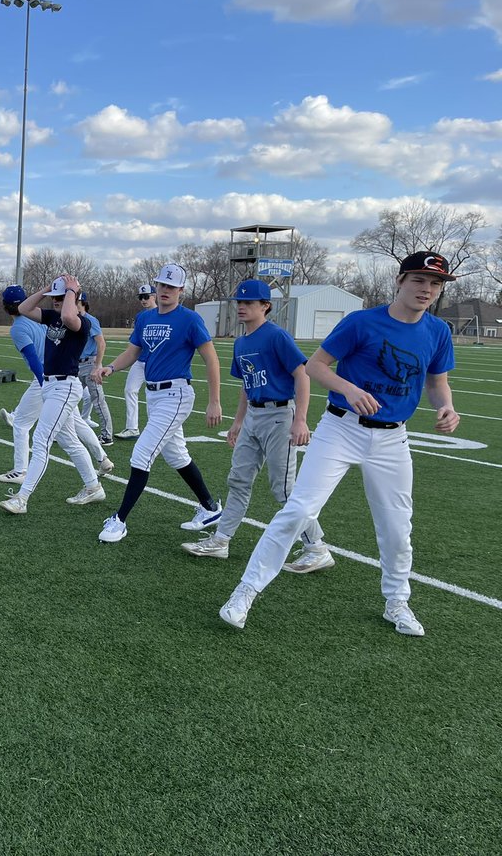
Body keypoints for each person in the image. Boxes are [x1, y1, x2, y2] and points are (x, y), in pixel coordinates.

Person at [219, 251, 459, 637]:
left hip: (392, 437)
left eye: (435, 284)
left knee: (397, 527)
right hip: (341, 429)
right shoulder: (361, 322)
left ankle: (397, 601)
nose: (427, 289)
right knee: (297, 510)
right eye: (419, 280)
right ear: (400, 281)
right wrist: (350, 389)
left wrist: (446, 406)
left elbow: (436, 381)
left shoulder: (438, 331)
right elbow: (315, 366)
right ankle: (245, 592)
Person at [181, 279, 330, 568]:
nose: (241, 307)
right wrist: (237, 422)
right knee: (238, 480)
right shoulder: (241, 342)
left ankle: (317, 547)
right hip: (254, 416)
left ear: (266, 306)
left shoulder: (276, 336)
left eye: (249, 302)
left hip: (279, 416)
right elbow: (247, 385)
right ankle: (221, 540)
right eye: (239, 302)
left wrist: (300, 419)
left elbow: (302, 375)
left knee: (284, 490)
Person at [95, 263, 223, 542]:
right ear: (156, 286)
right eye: (162, 285)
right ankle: (210, 508)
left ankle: (119, 520)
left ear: (181, 290)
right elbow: (134, 351)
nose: (165, 291)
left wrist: (214, 401)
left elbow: (211, 359)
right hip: (153, 396)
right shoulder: (146, 318)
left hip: (176, 395)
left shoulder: (189, 319)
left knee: (141, 454)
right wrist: (112, 367)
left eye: (171, 286)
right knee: (177, 455)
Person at [0, 276, 107, 514]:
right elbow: (24, 308)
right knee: (69, 441)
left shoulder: (82, 322)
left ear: (73, 298)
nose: (56, 301)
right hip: (50, 386)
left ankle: (22, 498)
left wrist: (71, 291)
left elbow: (70, 317)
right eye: (54, 298)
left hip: (65, 387)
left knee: (41, 440)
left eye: (61, 298)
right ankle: (93, 487)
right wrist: (47, 289)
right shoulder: (51, 317)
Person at [115, 283, 158, 438]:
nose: (143, 300)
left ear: (154, 296)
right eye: (141, 297)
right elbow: (136, 341)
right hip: (140, 360)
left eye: (146, 296)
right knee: (130, 390)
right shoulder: (140, 316)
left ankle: (155, 428)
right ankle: (132, 428)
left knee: (155, 395)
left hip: (155, 362)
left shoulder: (162, 313)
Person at [76, 291, 114, 444]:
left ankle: (107, 435)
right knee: (68, 400)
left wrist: (97, 366)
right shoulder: (72, 320)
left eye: (76, 301)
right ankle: (67, 432)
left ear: (83, 303)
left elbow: (101, 343)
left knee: (98, 401)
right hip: (75, 365)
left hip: (89, 363)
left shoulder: (90, 321)